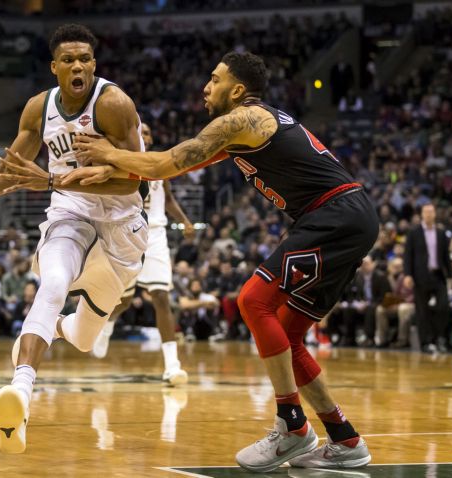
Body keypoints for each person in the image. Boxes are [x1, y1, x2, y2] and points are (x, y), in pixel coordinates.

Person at [66, 51, 378, 472]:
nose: (205, 87)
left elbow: (166, 161)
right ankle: (345, 438)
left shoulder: (242, 119)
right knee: (288, 335)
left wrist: (108, 153)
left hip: (334, 214)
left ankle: (292, 425)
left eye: (215, 79)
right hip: (345, 217)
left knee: (253, 301)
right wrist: (112, 170)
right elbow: (166, 168)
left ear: (237, 90)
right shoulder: (241, 130)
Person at [0, 24, 148, 454]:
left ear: (94, 64)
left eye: (85, 59)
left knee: (84, 340)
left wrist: (53, 180)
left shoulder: (114, 104)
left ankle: (51, 326)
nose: (78, 66)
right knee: (52, 283)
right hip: (70, 214)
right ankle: (20, 392)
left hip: (122, 226)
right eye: (68, 59)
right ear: (55, 67)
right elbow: (13, 170)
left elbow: (134, 181)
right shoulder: (39, 108)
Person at [91, 122, 192, 385]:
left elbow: (168, 199)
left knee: (161, 296)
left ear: (151, 138)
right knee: (123, 300)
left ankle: (172, 365)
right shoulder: (119, 160)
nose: (144, 135)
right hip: (126, 232)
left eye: (147, 132)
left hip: (155, 234)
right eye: (140, 132)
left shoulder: (160, 163)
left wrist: (184, 221)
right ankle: (108, 324)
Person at [403, 203, 452, 353]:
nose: (429, 214)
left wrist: (450, 275)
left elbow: (446, 256)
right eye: (426, 212)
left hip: (438, 275)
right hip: (420, 276)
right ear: (422, 214)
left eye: (431, 212)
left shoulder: (441, 233)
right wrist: (408, 274)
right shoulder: (414, 232)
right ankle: (426, 342)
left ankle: (439, 338)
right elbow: (408, 255)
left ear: (435, 214)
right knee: (422, 311)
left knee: (443, 306)